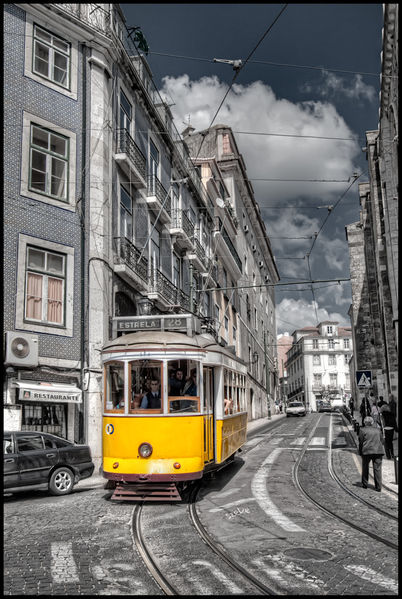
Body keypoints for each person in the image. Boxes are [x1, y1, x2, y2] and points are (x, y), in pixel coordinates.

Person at [358, 415, 384, 491]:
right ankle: (378, 487)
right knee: (377, 469)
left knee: (365, 468)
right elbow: (382, 440)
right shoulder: (378, 430)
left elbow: (361, 442)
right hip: (378, 451)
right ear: (372, 423)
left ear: (365, 423)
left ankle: (365, 484)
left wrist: (360, 451)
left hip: (367, 451)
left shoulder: (362, 430)